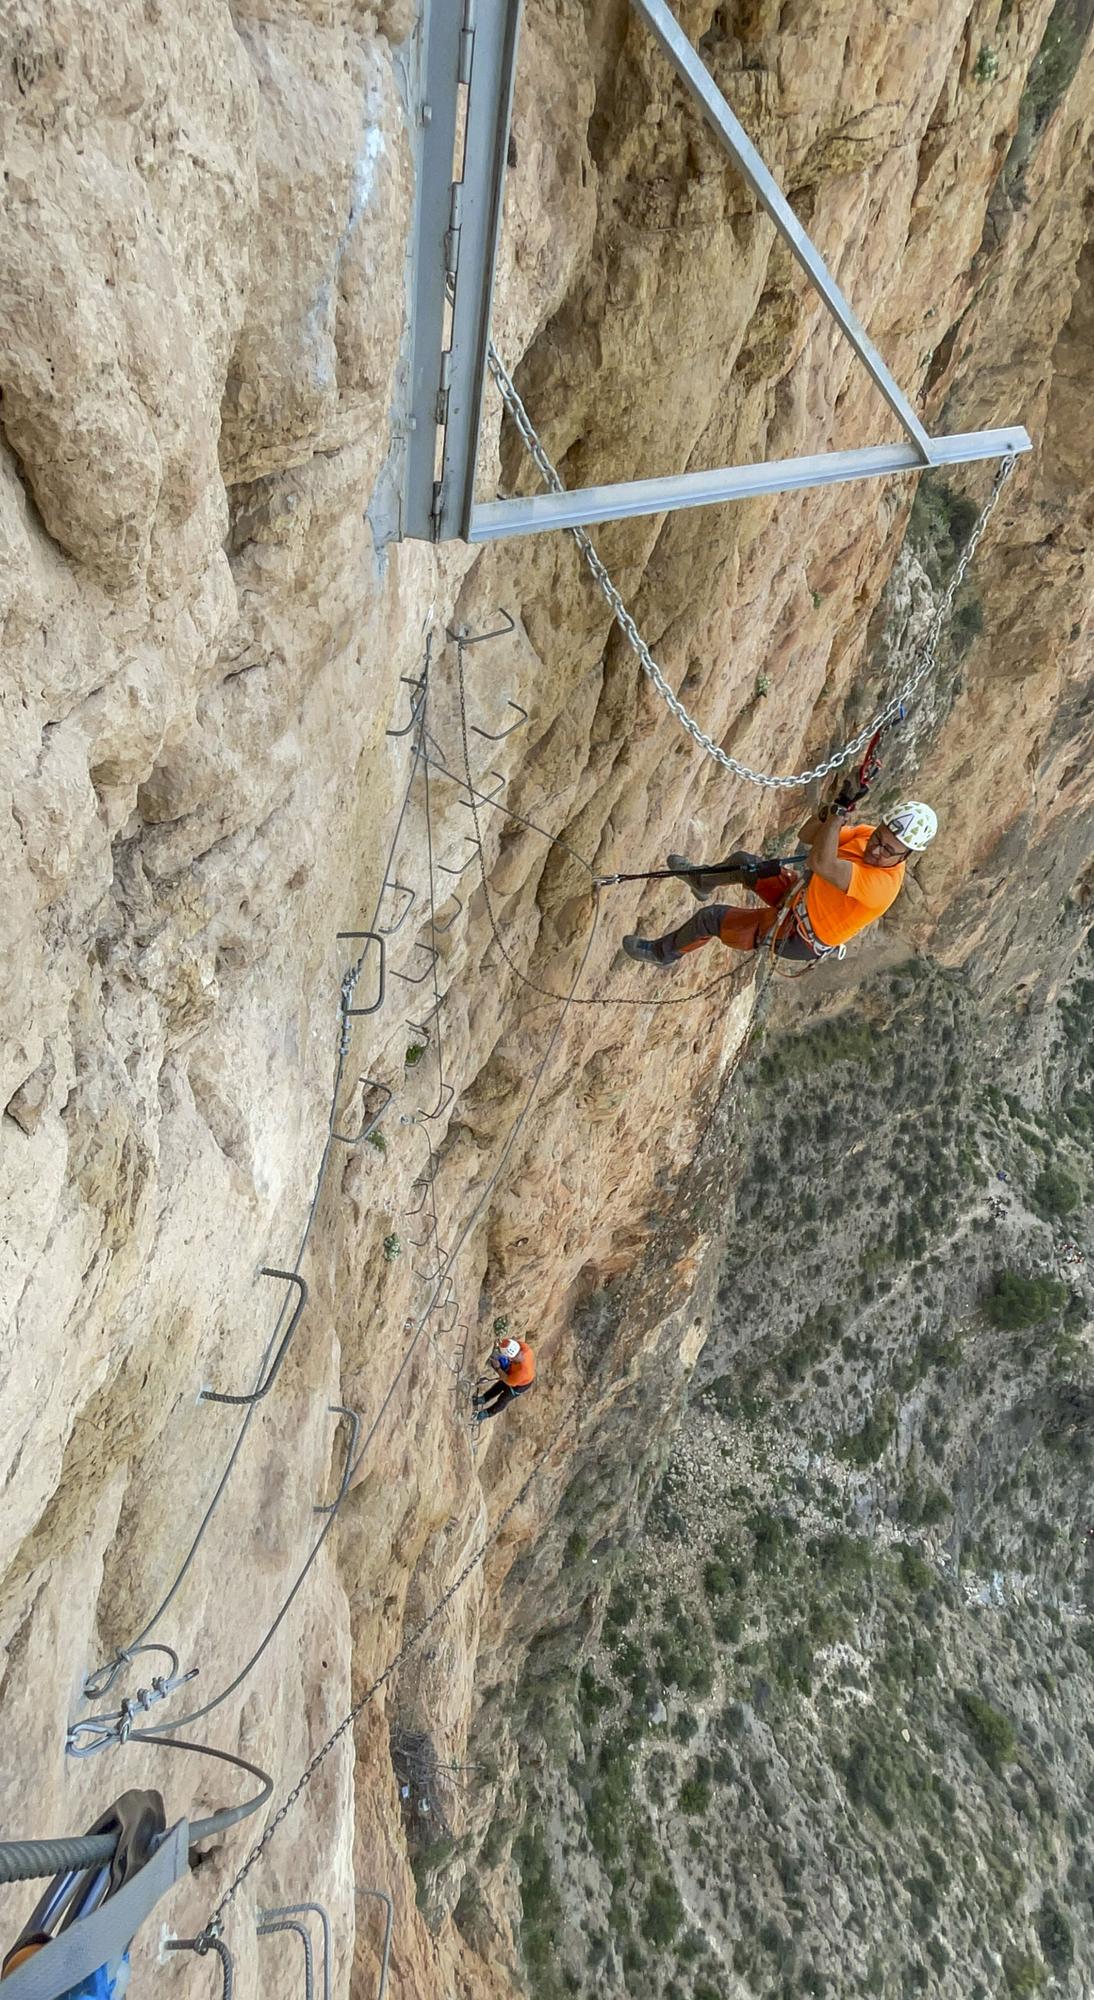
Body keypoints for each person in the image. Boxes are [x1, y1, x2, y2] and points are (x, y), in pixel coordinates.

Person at [620, 800, 937, 968]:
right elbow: (808, 836)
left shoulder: (883, 885)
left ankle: (662, 954)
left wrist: (838, 820)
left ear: (906, 855)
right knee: (744, 862)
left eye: (888, 851)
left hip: (800, 937)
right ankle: (702, 881)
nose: (875, 850)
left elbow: (820, 862)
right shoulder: (866, 833)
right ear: (879, 827)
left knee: (712, 919)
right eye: (879, 838)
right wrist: (829, 813)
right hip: (799, 897)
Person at [473, 1335, 536, 1422]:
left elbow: (506, 1379)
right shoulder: (524, 1348)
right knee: (498, 1386)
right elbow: (512, 1342)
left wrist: (498, 1368)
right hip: (514, 1371)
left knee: (503, 1399)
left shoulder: (522, 1372)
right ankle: (483, 1399)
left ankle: (487, 1413)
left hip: (521, 1384)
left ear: (510, 1358)